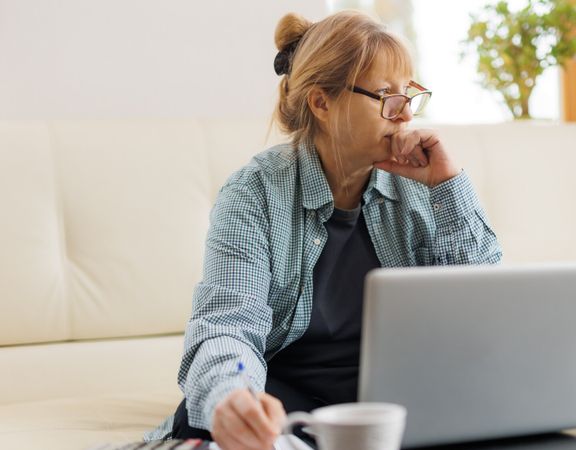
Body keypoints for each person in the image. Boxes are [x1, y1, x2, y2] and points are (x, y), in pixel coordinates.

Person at [145, 10, 502, 450]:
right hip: (286, 401)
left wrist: (449, 188)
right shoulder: (254, 193)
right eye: (386, 95)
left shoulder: (423, 182)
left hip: (393, 407)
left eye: (408, 93)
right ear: (322, 103)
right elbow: (228, 326)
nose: (405, 112)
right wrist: (234, 396)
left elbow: (485, 315)